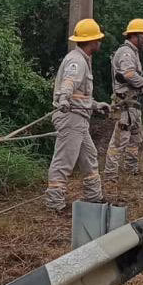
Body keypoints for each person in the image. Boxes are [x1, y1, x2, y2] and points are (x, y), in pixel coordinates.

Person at [45, 18, 110, 213]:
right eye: (97, 38)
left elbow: (79, 94)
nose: (100, 41)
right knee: (64, 160)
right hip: (71, 117)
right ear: (91, 41)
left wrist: (96, 104)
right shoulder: (76, 61)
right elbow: (68, 84)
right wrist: (63, 98)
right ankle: (54, 204)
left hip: (79, 117)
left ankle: (94, 197)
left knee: (89, 157)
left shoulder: (83, 59)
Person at [104, 18, 143, 184]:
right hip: (125, 104)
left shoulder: (133, 52)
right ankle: (110, 177)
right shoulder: (126, 53)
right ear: (135, 36)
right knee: (119, 140)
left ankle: (131, 171)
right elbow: (129, 75)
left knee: (134, 138)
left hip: (133, 104)